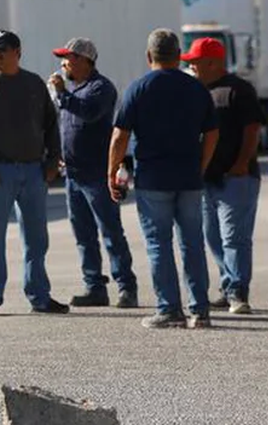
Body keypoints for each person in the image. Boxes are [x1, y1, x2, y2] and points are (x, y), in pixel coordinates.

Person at [108, 29, 218, 329]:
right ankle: (200, 310)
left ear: (149, 56)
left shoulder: (138, 88)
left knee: (159, 244)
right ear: (178, 54)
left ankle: (170, 309)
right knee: (193, 244)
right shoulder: (196, 88)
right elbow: (212, 133)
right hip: (189, 178)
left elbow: (120, 135)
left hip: (153, 178)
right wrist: (202, 166)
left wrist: (112, 171)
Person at [0, 30, 69, 316]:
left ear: (18, 51)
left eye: (2, 48)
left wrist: (52, 162)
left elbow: (51, 126)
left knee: (36, 239)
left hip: (33, 172)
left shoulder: (33, 84)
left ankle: (39, 297)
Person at [47, 37, 138, 309]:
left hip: (98, 174)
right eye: (63, 57)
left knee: (110, 231)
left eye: (69, 57)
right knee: (83, 234)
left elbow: (89, 113)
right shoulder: (72, 91)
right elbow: (67, 130)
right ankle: (94, 287)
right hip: (73, 175)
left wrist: (62, 94)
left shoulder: (100, 88)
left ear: (86, 60)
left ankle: (127, 288)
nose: (63, 63)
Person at [182, 37, 264, 315]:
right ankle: (228, 285)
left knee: (234, 238)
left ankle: (239, 292)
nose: (191, 67)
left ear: (213, 62)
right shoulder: (197, 92)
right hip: (207, 178)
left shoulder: (239, 90)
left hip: (236, 177)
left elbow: (252, 130)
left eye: (195, 62)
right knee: (213, 236)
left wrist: (241, 163)